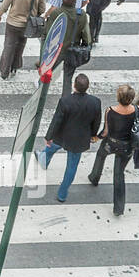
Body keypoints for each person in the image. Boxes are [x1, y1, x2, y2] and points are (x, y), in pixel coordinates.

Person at [39, 73, 103, 202]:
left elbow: (57, 120)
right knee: (71, 167)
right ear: (87, 87)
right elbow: (97, 121)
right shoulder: (95, 102)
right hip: (79, 139)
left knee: (50, 148)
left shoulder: (65, 101)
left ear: (74, 85)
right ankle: (62, 194)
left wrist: (49, 136)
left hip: (62, 135)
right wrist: (93, 135)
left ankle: (43, 162)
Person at [86, 84, 139, 217]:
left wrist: (96, 138)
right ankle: (118, 208)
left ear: (118, 97)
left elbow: (105, 131)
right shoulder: (137, 110)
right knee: (119, 174)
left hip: (111, 143)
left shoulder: (110, 110)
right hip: (127, 147)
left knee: (100, 156)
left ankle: (94, 177)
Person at [0, 0, 46, 79]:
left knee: (9, 46)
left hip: (13, 23)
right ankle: (14, 68)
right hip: (28, 24)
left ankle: (4, 71)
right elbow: (42, 8)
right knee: (20, 46)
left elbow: (5, 5)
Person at [45, 0, 92, 97]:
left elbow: (49, 33)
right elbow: (86, 36)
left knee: (47, 72)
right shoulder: (81, 14)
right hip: (72, 50)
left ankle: (41, 91)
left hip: (56, 50)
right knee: (68, 77)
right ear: (76, 0)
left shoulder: (56, 13)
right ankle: (65, 99)